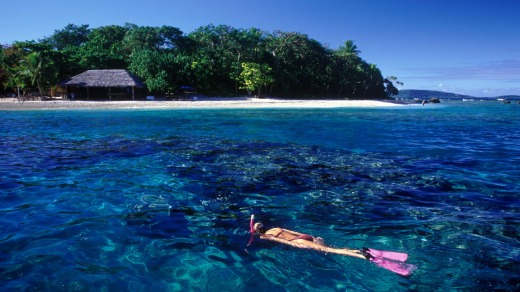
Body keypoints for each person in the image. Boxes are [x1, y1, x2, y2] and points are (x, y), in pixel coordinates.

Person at [248, 215, 416, 276]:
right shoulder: (276, 227)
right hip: (304, 236)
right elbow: (290, 231)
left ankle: (363, 256)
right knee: (329, 250)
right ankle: (360, 250)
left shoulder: (266, 237)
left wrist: (301, 245)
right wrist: (312, 238)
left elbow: (283, 241)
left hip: (298, 241)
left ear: (257, 231)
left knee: (332, 251)